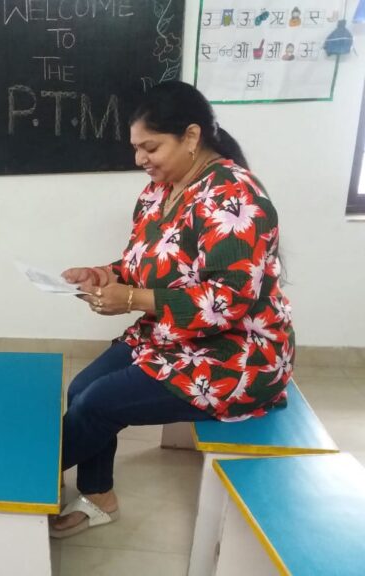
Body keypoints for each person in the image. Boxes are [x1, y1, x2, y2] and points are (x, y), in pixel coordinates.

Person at [51, 81, 294, 538]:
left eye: (150, 147)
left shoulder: (235, 196)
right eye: (136, 148)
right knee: (81, 388)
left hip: (235, 354)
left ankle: (18, 480)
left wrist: (132, 300)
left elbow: (227, 301)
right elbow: (143, 263)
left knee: (99, 404)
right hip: (173, 334)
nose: (140, 159)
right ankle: (98, 494)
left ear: (191, 136)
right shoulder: (158, 191)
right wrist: (102, 274)